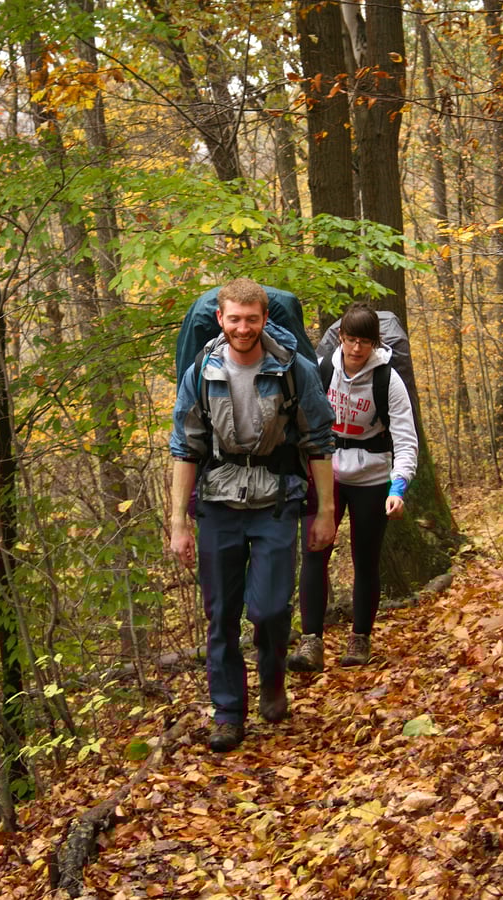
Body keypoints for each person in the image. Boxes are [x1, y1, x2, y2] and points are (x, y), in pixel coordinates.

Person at [170, 278, 335, 752]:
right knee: (221, 615)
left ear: (265, 320)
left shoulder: (293, 369)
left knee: (268, 609)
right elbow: (185, 447)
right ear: (220, 320)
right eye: (234, 319)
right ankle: (227, 712)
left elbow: (319, 442)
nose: (243, 328)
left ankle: (271, 679)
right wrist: (179, 521)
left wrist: (324, 512)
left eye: (252, 319)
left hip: (276, 501)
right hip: (218, 503)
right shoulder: (201, 371)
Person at [288, 303, 418, 673]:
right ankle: (312, 641)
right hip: (325, 471)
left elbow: (406, 439)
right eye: (350, 340)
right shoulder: (325, 368)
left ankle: (360, 638)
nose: (356, 349)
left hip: (372, 477)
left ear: (375, 343)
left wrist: (399, 486)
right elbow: (304, 419)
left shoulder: (387, 380)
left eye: (364, 342)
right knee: (315, 551)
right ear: (340, 338)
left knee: (365, 557)